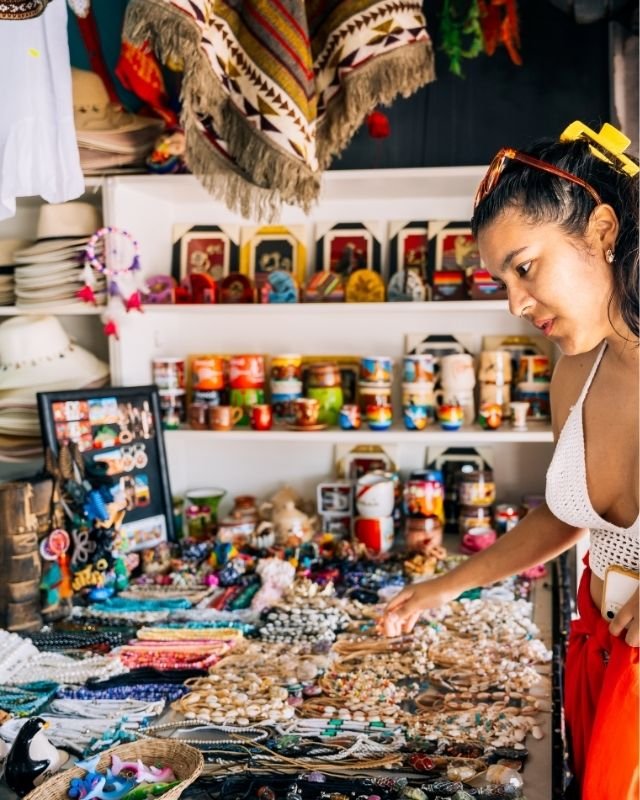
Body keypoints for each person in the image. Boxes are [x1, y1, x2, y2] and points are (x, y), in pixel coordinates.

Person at [380, 121, 639, 800]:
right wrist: (448, 585)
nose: (515, 303)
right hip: (600, 659)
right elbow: (568, 514)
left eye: (525, 267)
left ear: (602, 232)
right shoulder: (574, 372)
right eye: (502, 279)